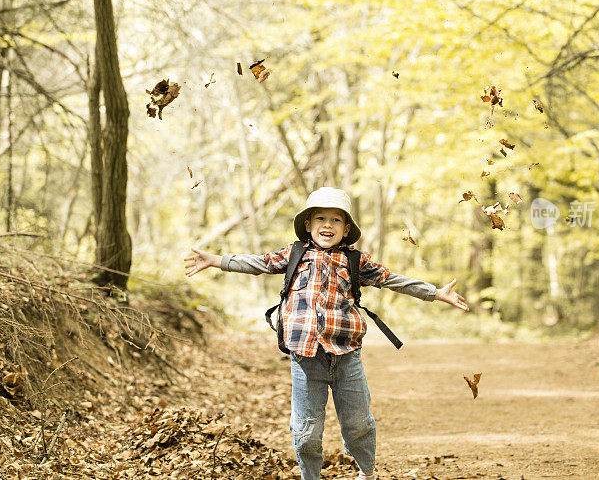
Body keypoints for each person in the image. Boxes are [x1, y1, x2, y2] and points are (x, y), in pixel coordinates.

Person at [185, 187, 468, 480]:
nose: (327, 226)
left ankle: (367, 473)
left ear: (346, 229)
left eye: (336, 220)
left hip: (346, 356)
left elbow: (392, 279)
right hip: (305, 357)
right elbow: (258, 262)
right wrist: (218, 260)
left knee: (358, 423)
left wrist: (434, 293)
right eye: (320, 218)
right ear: (308, 225)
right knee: (306, 429)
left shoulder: (355, 260)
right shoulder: (294, 253)